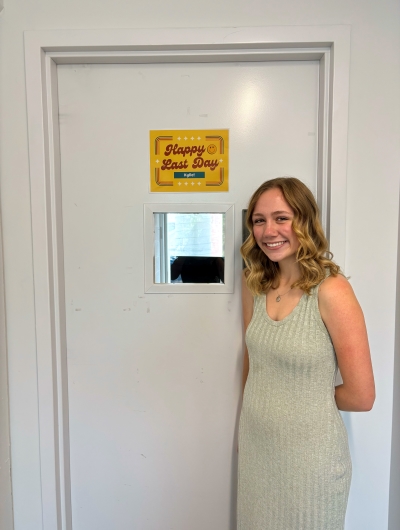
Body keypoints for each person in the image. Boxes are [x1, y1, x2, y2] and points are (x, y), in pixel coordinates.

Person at [237, 177, 375, 530]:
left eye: (282, 218)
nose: (269, 231)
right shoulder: (253, 283)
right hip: (258, 454)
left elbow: (361, 396)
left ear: (305, 221)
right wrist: (247, 431)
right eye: (259, 220)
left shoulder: (332, 290)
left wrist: (300, 399)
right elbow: (254, 365)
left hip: (311, 464)